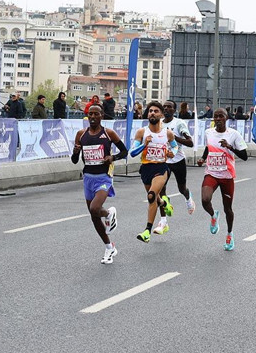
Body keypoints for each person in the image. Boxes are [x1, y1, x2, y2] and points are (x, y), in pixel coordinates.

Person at [70, 104, 128, 264]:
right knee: (94, 216)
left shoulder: (108, 134)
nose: (93, 117)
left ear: (102, 115)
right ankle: (109, 247)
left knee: (95, 208)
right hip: (88, 177)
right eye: (90, 114)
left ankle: (109, 213)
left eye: (96, 114)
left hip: (104, 177)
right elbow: (75, 160)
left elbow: (124, 151)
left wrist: (113, 158)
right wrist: (75, 152)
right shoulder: (81, 135)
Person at [196, 108, 248, 251]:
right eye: (216, 117)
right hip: (211, 173)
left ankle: (230, 234)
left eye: (221, 116)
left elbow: (244, 156)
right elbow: (208, 148)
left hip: (227, 176)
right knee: (205, 200)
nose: (218, 119)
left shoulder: (234, 134)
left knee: (228, 209)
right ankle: (213, 216)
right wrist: (203, 158)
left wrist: (229, 147)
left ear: (226, 118)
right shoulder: (209, 133)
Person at [129, 101, 178, 243]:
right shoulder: (142, 132)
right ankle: (164, 203)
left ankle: (147, 231)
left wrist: (172, 153)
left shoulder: (167, 133)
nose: (152, 113)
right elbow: (132, 153)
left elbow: (175, 147)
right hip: (146, 169)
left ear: (161, 115)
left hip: (161, 168)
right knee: (155, 199)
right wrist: (145, 145)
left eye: (156, 111)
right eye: (150, 111)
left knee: (151, 196)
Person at [158, 100, 196, 234]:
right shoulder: (159, 123)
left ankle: (188, 197)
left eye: (170, 107)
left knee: (181, 188)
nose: (167, 109)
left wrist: (173, 138)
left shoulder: (179, 123)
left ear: (174, 110)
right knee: (160, 190)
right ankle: (163, 222)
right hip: (164, 161)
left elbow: (190, 143)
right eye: (165, 107)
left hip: (178, 160)